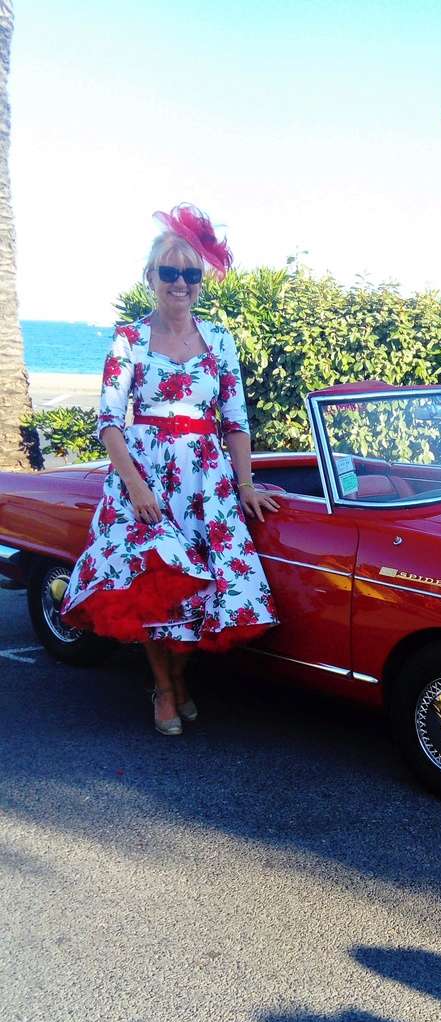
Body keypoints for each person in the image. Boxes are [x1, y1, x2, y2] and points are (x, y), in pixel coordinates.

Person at [62, 205, 279, 734]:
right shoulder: (129, 339)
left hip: (206, 482)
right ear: (151, 277)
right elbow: (110, 420)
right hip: (147, 480)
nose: (180, 283)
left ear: (200, 281)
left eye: (191, 273)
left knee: (206, 588)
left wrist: (245, 484)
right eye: (170, 272)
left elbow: (235, 419)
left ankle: (180, 680)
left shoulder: (220, 339)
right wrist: (134, 484)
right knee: (157, 584)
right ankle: (163, 687)